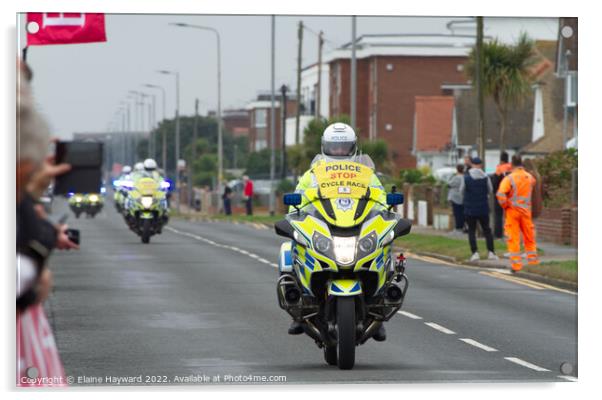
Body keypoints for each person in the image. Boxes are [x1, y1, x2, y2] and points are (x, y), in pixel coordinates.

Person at [285, 123, 387, 341]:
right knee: (289, 250)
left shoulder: (367, 174)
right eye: (334, 147)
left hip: (356, 226)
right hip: (325, 228)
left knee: (384, 245)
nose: (339, 152)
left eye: (344, 147)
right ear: (325, 147)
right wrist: (295, 213)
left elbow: (382, 199)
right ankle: (298, 309)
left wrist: (387, 211)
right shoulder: (312, 174)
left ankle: (378, 309)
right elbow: (296, 201)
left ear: (353, 148)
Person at [496, 155, 539, 273]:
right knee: (529, 238)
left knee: (513, 238)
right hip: (526, 212)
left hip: (513, 212)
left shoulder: (509, 178)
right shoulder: (530, 177)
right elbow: (532, 187)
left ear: (512, 164)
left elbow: (500, 195)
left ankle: (516, 266)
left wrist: (506, 205)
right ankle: (533, 264)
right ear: (522, 164)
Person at [459, 157, 498, 262]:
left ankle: (475, 253)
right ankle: (491, 252)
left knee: (471, 231)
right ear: (481, 165)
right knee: (487, 230)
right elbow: (490, 190)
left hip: (470, 208)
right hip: (483, 208)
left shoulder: (466, 177)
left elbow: (461, 191)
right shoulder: (486, 177)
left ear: (472, 165)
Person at [491, 152, 512, 239]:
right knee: (510, 216)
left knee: (498, 215)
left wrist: (495, 191)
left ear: (501, 160)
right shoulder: (511, 168)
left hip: (500, 195)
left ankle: (498, 234)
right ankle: (509, 234)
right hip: (510, 195)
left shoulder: (499, 169)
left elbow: (494, 182)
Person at [447, 164, 465, 234]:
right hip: (462, 197)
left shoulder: (456, 177)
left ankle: (458, 228)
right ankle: (461, 227)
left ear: (457, 169)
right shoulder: (464, 177)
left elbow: (449, 184)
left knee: (457, 213)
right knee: (461, 213)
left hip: (455, 198)